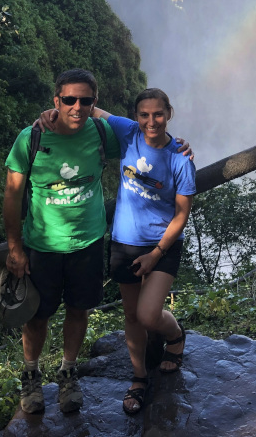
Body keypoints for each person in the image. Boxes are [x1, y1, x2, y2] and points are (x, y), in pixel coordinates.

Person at [4, 70, 191, 415]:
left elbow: (151, 138)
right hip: (43, 245)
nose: (77, 107)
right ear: (55, 100)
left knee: (79, 310)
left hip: (88, 243)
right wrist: (14, 247)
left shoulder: (104, 133)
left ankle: (68, 371)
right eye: (69, 100)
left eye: (85, 100)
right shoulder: (31, 138)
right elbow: (13, 194)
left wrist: (181, 147)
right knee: (38, 316)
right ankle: (31, 375)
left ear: (94, 103)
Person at [101, 88, 195, 415]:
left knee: (147, 314)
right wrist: (53, 113)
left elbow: (181, 215)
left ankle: (176, 335)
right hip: (124, 241)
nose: (151, 121)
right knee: (130, 315)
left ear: (169, 113)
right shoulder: (128, 132)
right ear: (136, 116)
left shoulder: (180, 159)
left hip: (162, 244)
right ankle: (139, 377)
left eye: (158, 114)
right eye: (144, 114)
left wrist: (156, 254)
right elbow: (93, 111)